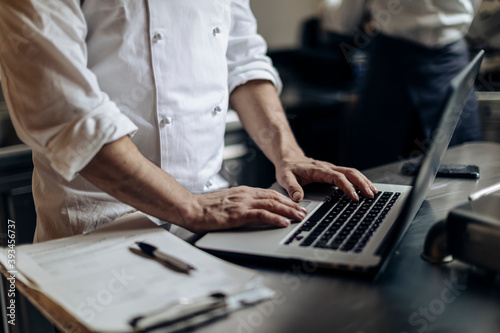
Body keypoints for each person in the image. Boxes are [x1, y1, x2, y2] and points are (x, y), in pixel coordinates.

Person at [0, 0, 376, 242]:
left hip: (219, 219)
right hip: (102, 227)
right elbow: (67, 111)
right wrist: (191, 207)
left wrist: (289, 155)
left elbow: (241, 57)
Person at [321, 0, 483, 169]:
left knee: (460, 163)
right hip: (394, 66)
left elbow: (342, 21)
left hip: (445, 63)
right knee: (375, 171)